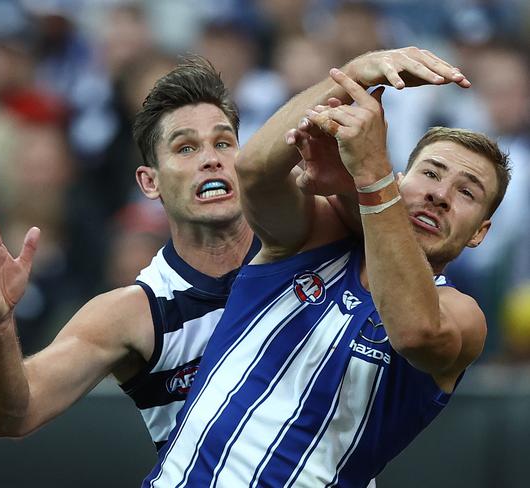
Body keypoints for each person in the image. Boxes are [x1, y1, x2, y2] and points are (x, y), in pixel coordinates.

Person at [0, 48, 473, 454]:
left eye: (225, 143)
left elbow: (416, 237)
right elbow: (12, 415)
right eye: (186, 149)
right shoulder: (136, 313)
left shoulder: (326, 236)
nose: (211, 160)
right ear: (150, 182)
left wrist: (357, 80)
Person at [143, 67, 510, 486]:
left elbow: (415, 333)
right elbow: (255, 172)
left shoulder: (462, 315)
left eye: (467, 192)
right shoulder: (315, 238)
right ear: (403, 181)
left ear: (480, 232)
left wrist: (369, 178)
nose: (439, 195)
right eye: (430, 173)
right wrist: (353, 72)